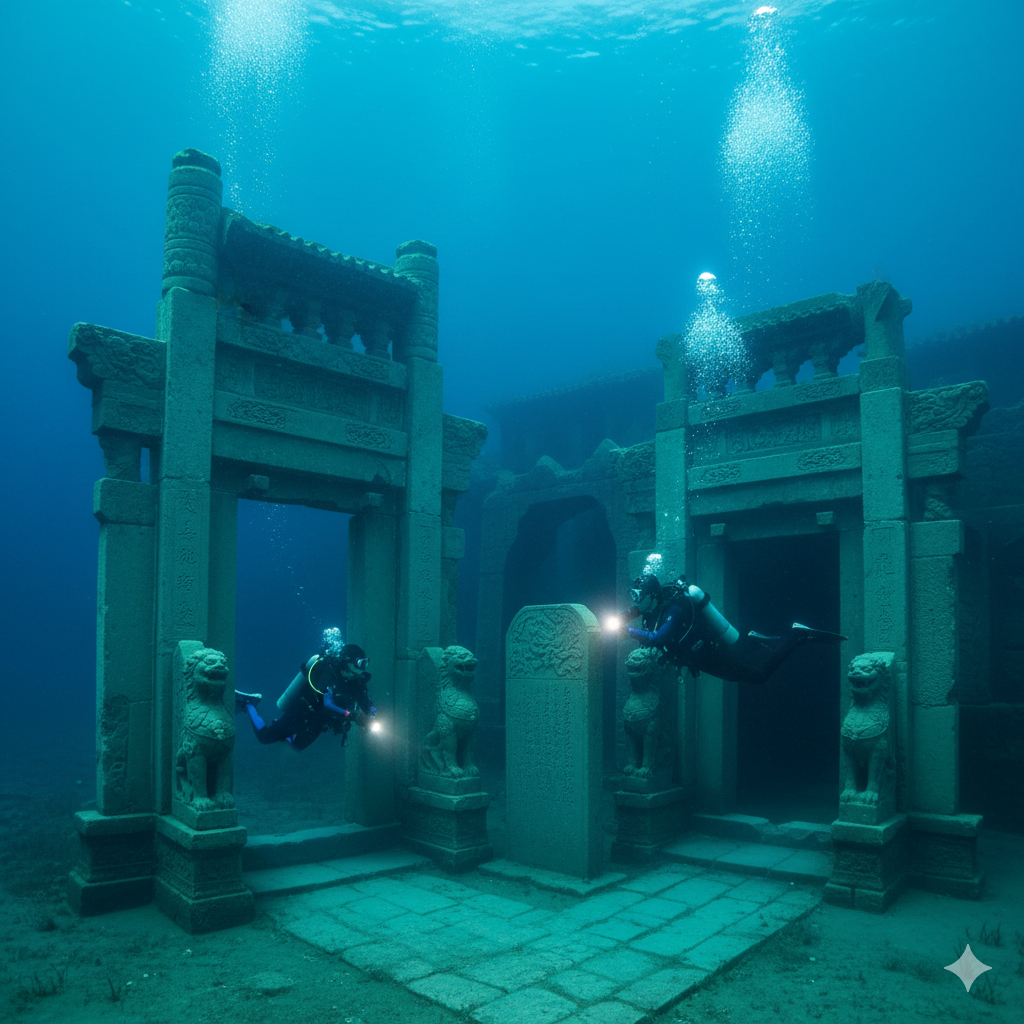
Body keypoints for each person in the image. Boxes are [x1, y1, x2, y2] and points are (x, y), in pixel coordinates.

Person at [619, 572, 845, 685]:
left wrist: (626, 631)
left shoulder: (673, 610)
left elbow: (659, 638)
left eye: (638, 595)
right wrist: (619, 619)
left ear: (651, 595)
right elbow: (634, 613)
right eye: (633, 595)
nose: (635, 600)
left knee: (759, 675)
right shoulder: (653, 608)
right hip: (701, 656)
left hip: (708, 654)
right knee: (741, 655)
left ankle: (797, 636)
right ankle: (753, 641)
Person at [234, 627, 377, 750]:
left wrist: (372, 711)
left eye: (365, 663)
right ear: (348, 661)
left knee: (296, 746)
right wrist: (351, 715)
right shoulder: (328, 674)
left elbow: (365, 699)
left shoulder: (357, 680)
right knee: (265, 737)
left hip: (319, 721)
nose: (362, 668)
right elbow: (327, 704)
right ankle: (249, 704)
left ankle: (281, 728)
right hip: (303, 710)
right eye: (360, 663)